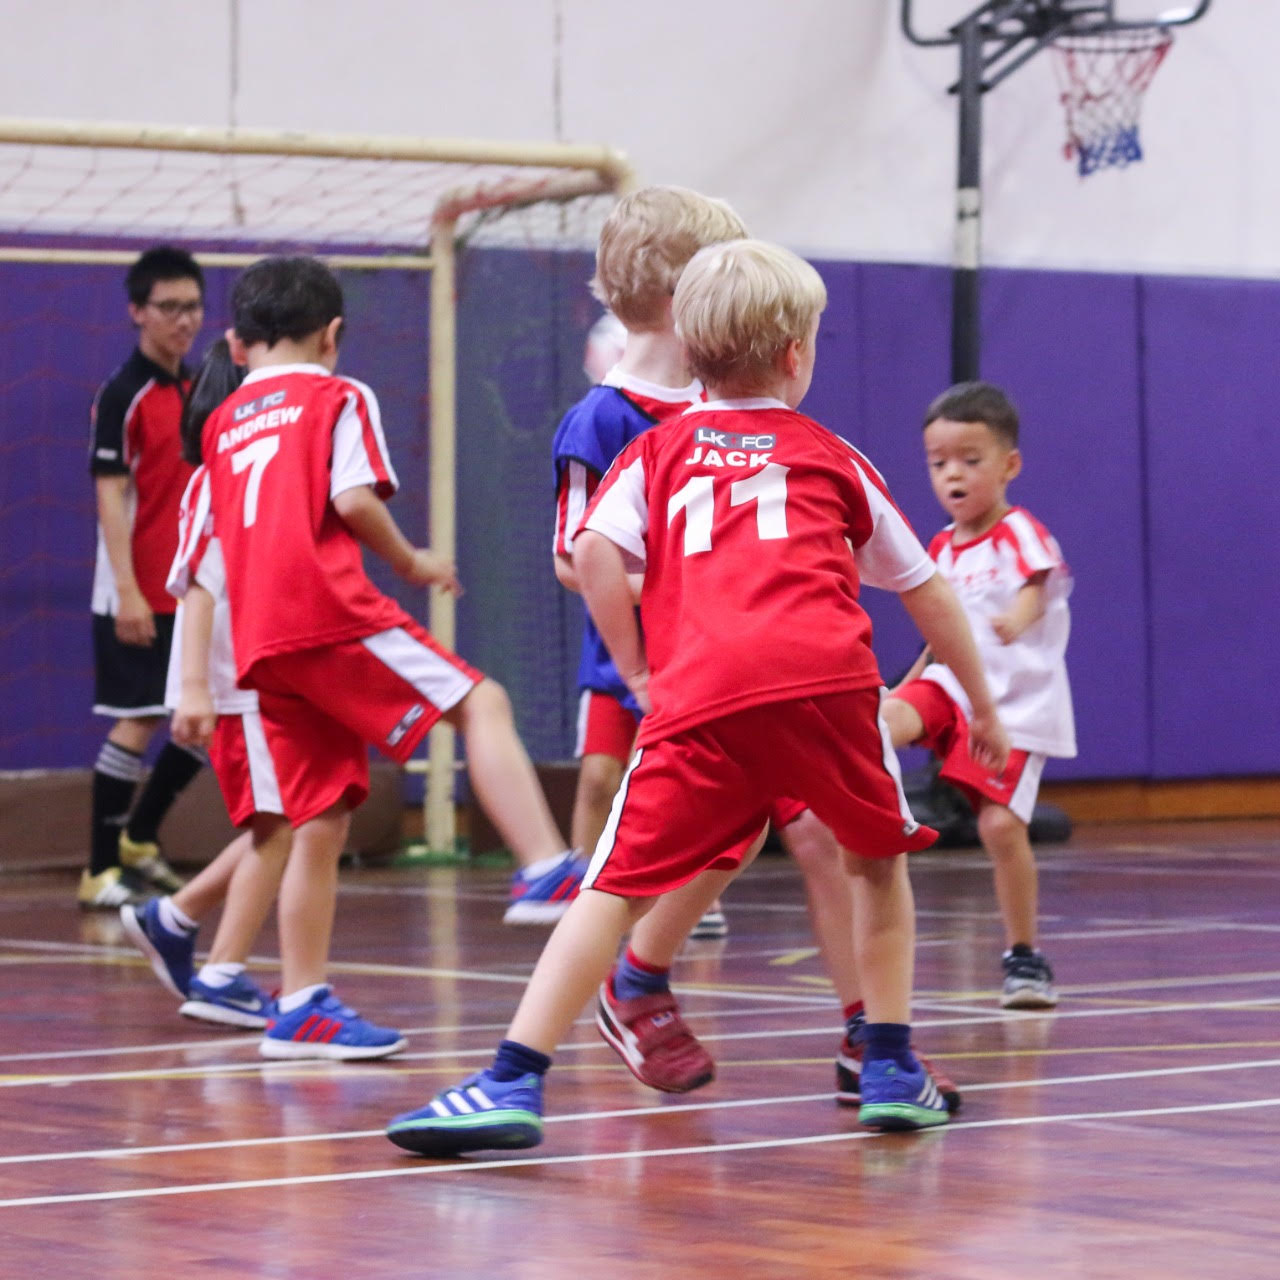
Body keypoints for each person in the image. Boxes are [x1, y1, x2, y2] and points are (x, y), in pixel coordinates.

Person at [386, 239, 1008, 1156]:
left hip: (702, 695)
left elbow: (592, 555)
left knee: (611, 884)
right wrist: (981, 706)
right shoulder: (831, 455)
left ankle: (510, 1079)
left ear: (690, 347)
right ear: (796, 355)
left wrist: (637, 665)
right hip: (827, 689)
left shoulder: (657, 452)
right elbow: (926, 589)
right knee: (876, 864)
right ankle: (888, 1065)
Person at [196, 255, 580, 1054]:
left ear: (243, 343)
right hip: (324, 610)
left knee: (321, 818)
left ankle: (301, 1003)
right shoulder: (339, 395)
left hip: (259, 640)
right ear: (332, 333)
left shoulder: (221, 422)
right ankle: (544, 864)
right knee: (482, 702)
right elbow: (351, 499)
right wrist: (411, 562)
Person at [551, 186, 748, 938]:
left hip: (708, 653)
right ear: (681, 297)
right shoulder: (600, 418)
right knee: (605, 774)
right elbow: (574, 560)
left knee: (715, 789)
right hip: (623, 649)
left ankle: (682, 903)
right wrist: (670, 581)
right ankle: (583, 883)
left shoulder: (726, 411)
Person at [881, 381, 1076, 1009]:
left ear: (1009, 465)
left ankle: (1024, 954)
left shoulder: (1018, 531)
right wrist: (904, 685)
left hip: (1015, 709)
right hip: (953, 688)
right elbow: (939, 637)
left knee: (998, 828)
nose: (952, 475)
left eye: (970, 459)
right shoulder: (940, 547)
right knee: (886, 718)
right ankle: (833, 797)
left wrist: (1020, 617)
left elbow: (1038, 581)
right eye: (939, 464)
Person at [120, 342, 284, 1032]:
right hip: (229, 678)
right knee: (284, 825)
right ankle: (223, 972)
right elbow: (197, 588)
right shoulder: (228, 480)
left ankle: (175, 915)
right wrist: (193, 687)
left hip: (240, 675)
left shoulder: (230, 477)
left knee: (288, 819)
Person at [82, 247, 208, 909]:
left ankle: (140, 837)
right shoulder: (122, 395)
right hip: (132, 587)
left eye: (192, 306)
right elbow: (110, 497)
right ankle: (99, 869)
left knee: (201, 720)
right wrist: (128, 591)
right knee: (136, 721)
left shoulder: (198, 388)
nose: (182, 320)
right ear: (138, 312)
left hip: (189, 589)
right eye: (168, 307)